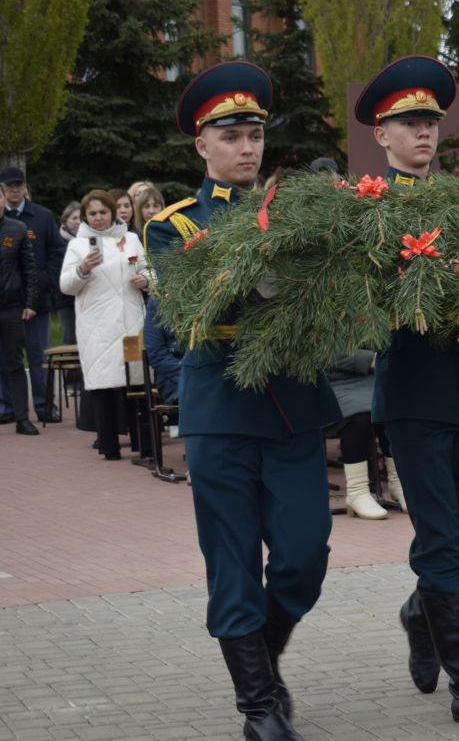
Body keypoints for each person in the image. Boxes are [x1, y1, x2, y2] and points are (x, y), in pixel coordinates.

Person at [143, 61, 342, 740]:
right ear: (201, 145)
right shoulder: (174, 227)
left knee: (305, 554)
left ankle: (265, 657)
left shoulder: (295, 214)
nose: (246, 147)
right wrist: (264, 276)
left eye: (254, 134)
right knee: (232, 562)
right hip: (221, 412)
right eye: (230, 136)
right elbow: (190, 308)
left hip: (291, 405)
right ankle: (258, 704)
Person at [355, 55, 459, 734]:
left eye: (429, 121)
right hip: (417, 393)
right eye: (408, 123)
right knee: (443, 542)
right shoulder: (368, 210)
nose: (423, 132)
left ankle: (421, 612)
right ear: (381, 136)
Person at [59, 190, 149, 458]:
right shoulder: (77, 246)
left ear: (113, 212)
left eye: (103, 212)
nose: (98, 218)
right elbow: (65, 286)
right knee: (103, 385)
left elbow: (149, 269)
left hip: (131, 322)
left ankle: (143, 445)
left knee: (137, 382)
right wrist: (83, 269)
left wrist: (145, 280)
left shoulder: (131, 239)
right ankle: (109, 446)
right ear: (86, 216)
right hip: (97, 325)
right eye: (92, 214)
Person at [0, 166, 66, 424]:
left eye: (19, 185)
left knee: (38, 353)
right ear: (3, 191)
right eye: (9, 186)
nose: (15, 189)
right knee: (6, 357)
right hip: (7, 301)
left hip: (37, 300)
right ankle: (8, 407)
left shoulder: (42, 216)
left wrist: (46, 280)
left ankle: (44, 405)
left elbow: (57, 251)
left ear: (26, 187)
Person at [325, 351, 389, 519]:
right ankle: (357, 491)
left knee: (393, 411)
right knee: (359, 416)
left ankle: (400, 485)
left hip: (377, 378)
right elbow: (323, 350)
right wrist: (368, 359)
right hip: (337, 382)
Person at [0, 206, 39, 435]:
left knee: (15, 363)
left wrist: (31, 302)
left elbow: (30, 269)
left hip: (11, 307)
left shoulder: (18, 229)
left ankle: (22, 418)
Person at [143, 296, 182, 406]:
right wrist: (188, 373)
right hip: (172, 375)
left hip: (205, 370)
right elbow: (156, 353)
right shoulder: (156, 304)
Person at [56, 202, 82, 348]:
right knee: (71, 340)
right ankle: (71, 372)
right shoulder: (58, 241)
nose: (78, 222)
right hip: (65, 300)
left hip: (85, 296)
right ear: (65, 220)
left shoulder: (89, 242)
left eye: (81, 218)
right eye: (74, 218)